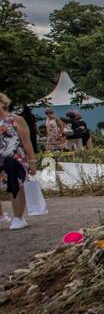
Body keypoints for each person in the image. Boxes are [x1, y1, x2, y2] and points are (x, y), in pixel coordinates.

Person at [0, 93, 37, 231]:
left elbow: (27, 142)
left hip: (14, 158)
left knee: (15, 186)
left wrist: (32, 161)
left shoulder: (16, 120)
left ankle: (18, 217)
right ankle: (2, 216)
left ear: (3, 103)